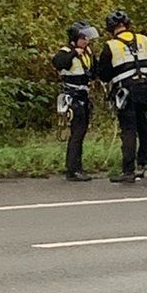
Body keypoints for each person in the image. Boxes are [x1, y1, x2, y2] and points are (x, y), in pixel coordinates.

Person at [98, 10, 147, 183]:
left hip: (126, 92)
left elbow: (103, 74)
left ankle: (128, 171)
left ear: (110, 29)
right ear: (128, 24)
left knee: (129, 131)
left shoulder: (111, 46)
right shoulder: (144, 39)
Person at [51, 21, 100, 182]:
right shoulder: (65, 52)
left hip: (84, 95)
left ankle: (77, 167)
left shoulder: (88, 53)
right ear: (74, 39)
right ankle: (73, 169)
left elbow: (94, 72)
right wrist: (74, 53)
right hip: (73, 96)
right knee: (76, 133)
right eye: (83, 38)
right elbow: (58, 63)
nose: (86, 42)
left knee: (81, 132)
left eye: (87, 39)